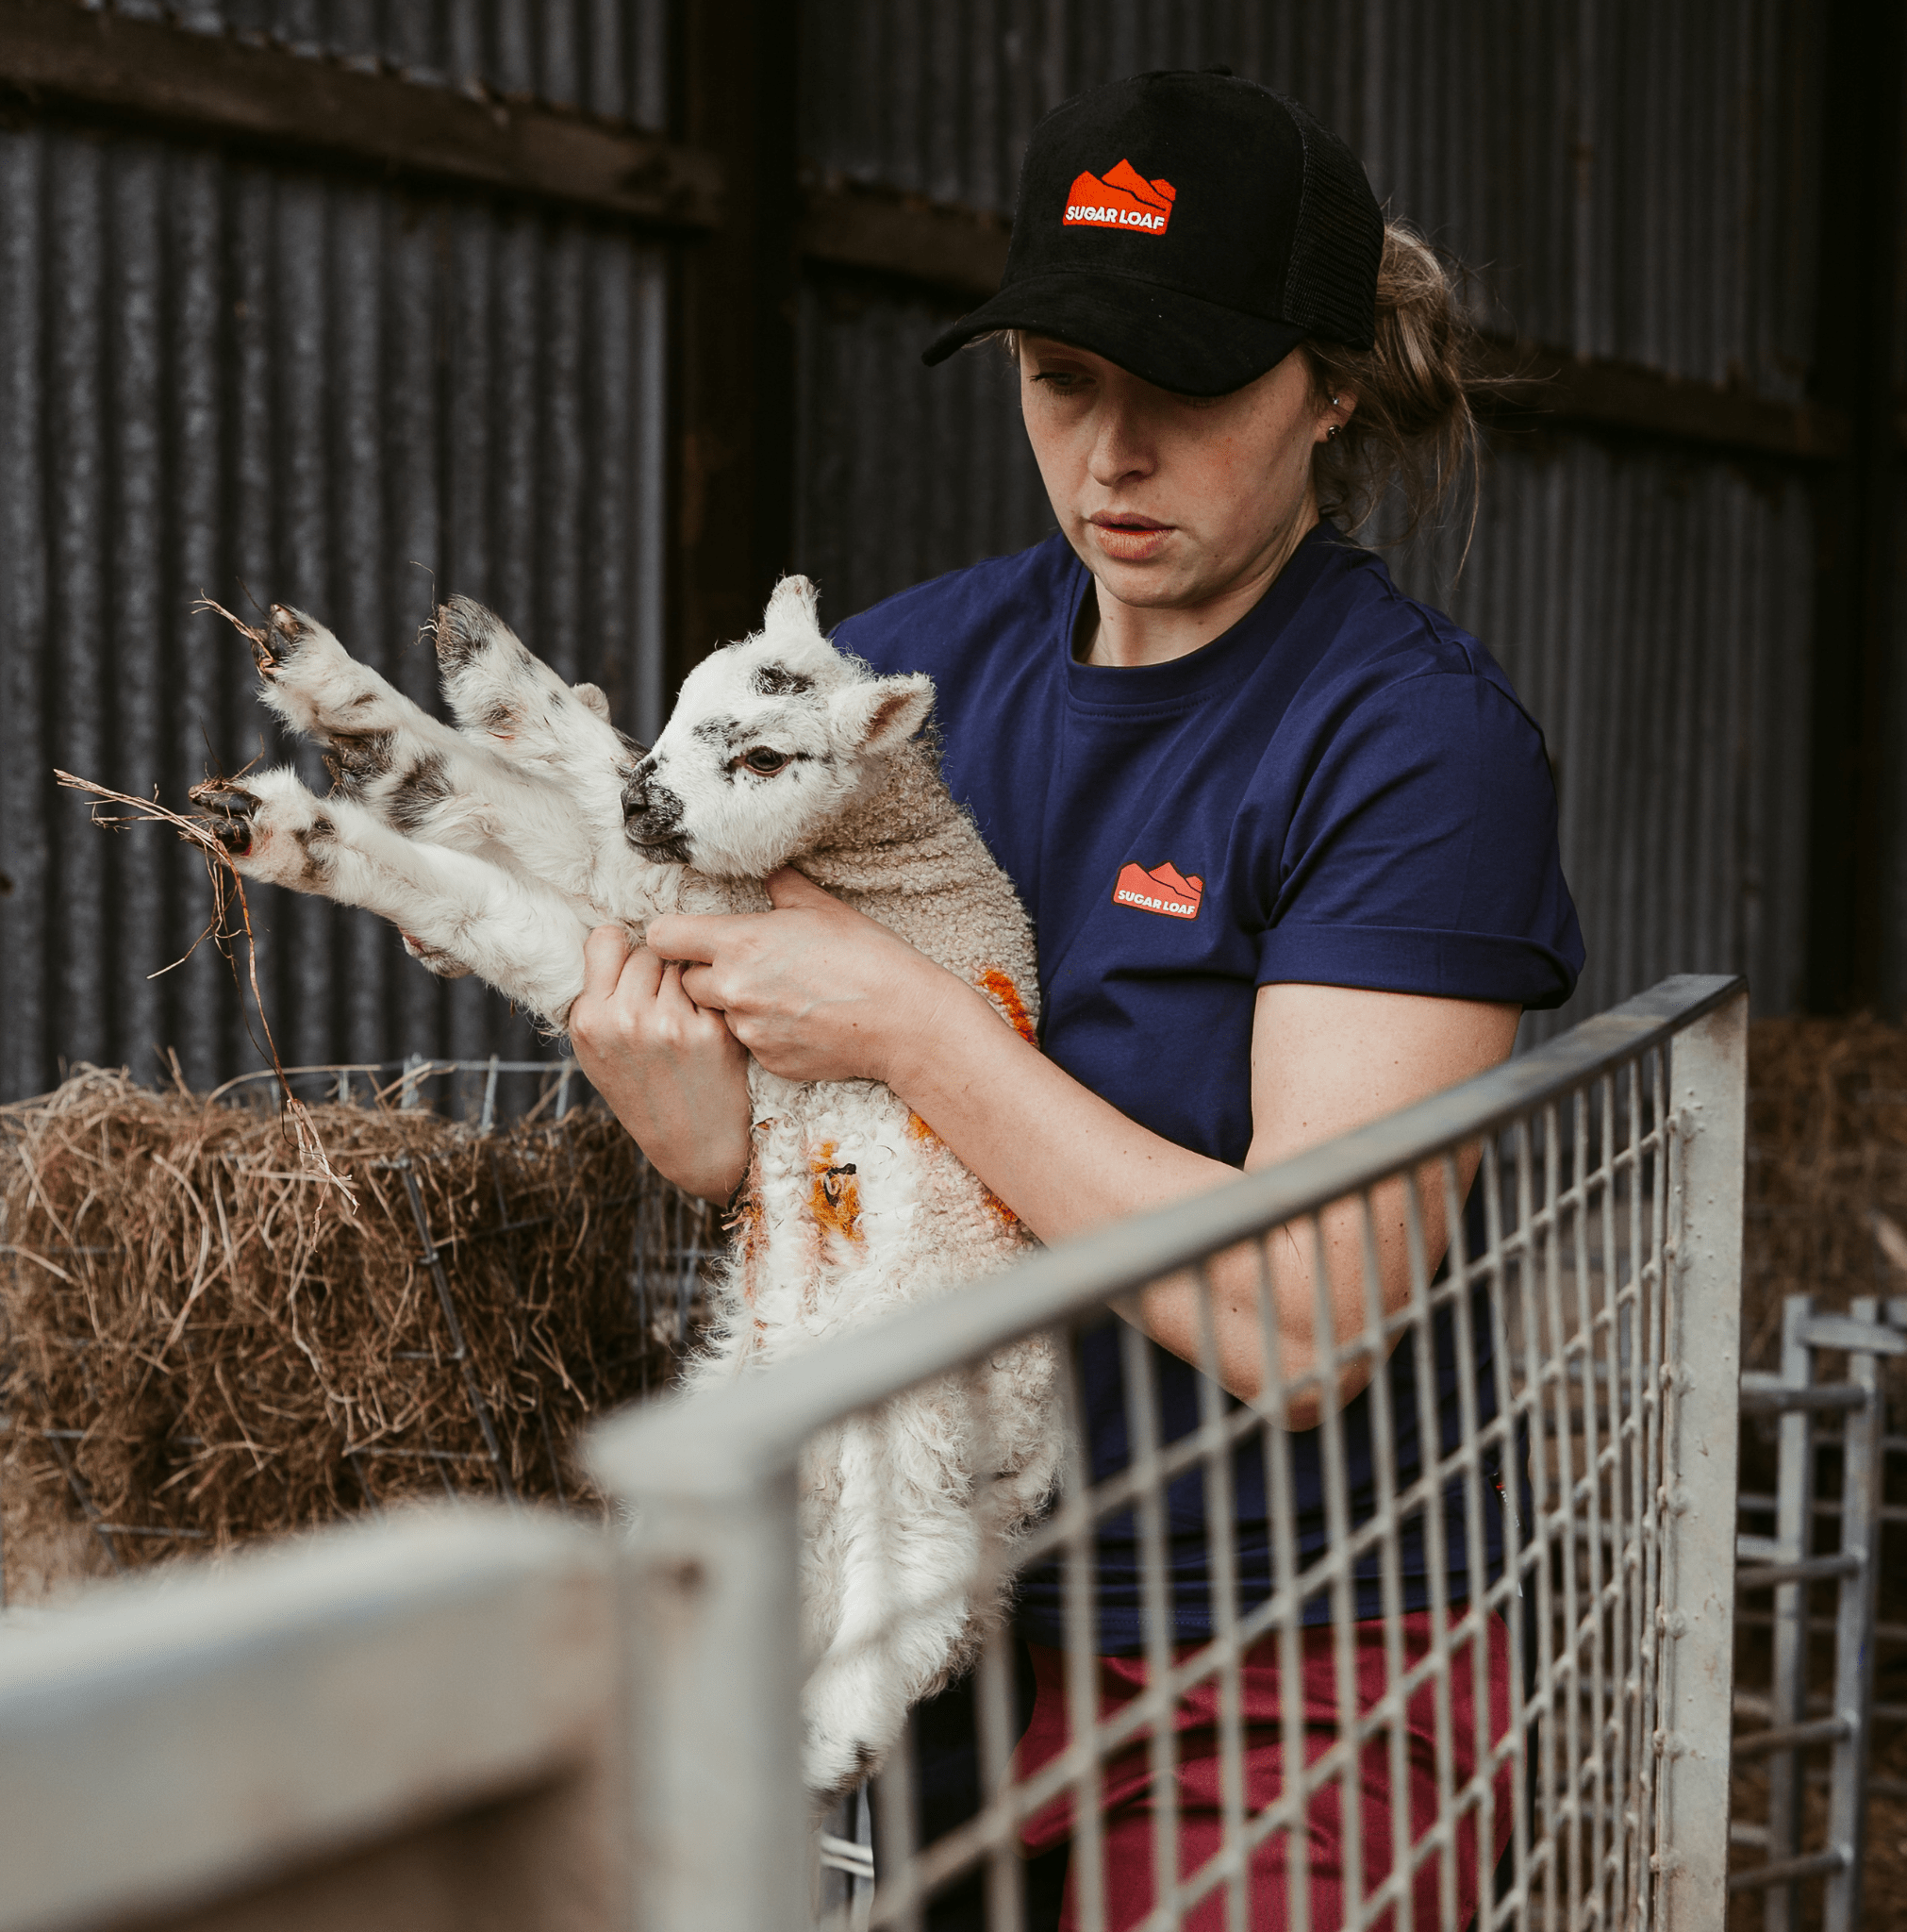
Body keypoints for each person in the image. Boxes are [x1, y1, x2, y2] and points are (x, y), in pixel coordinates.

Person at [571, 68, 1583, 1932]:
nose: (1111, 454)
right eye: (1060, 378)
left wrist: (909, 1026)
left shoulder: (1408, 744)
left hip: (1288, 1639)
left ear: (1329, 384)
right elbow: (818, 1154)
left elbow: (1314, 1313)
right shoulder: (911, 671)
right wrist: (711, 1137)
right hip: (946, 1613)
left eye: (1184, 390)